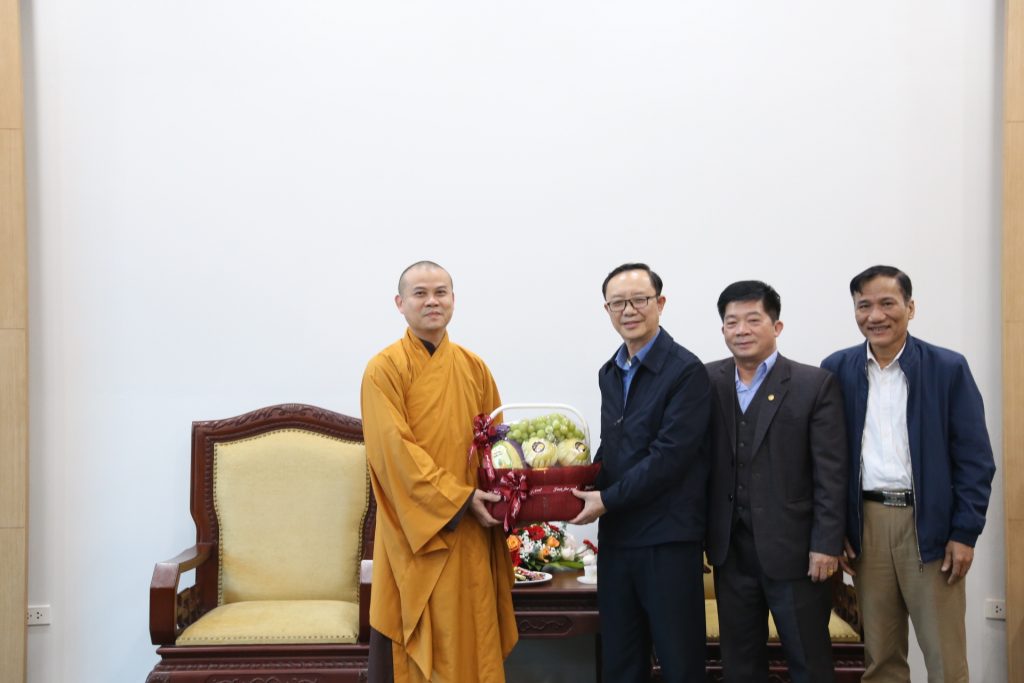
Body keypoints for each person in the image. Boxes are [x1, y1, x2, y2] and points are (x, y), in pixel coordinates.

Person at [822, 265, 996, 682]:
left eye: (887, 303)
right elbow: (828, 457)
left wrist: (965, 532)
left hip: (930, 526)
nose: (875, 316)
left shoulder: (947, 368)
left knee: (945, 658)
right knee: (881, 658)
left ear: (910, 308)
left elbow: (975, 460)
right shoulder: (837, 369)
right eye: (864, 306)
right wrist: (836, 527)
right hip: (866, 525)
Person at [360, 261, 517, 683]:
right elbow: (394, 453)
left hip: (472, 530)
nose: (432, 301)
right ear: (400, 303)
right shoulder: (383, 369)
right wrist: (461, 499)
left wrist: (503, 494)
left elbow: (496, 444)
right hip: (415, 533)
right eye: (420, 293)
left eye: (440, 292)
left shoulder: (474, 367)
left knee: (472, 639)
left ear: (453, 299)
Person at [570, 262, 711, 683]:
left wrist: (605, 499)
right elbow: (613, 448)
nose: (628, 310)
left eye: (639, 300)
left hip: (668, 541)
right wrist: (570, 486)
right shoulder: (610, 371)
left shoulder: (687, 372)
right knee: (620, 662)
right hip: (618, 540)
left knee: (679, 664)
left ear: (660, 303)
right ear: (607, 310)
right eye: (618, 303)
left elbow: (669, 458)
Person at [705, 280, 847, 683]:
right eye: (732, 322)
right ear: (722, 329)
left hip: (796, 553)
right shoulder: (707, 380)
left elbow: (831, 473)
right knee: (740, 664)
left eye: (753, 320)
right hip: (731, 552)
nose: (742, 330)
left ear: (777, 326)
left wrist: (826, 544)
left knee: (809, 662)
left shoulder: (812, 384)